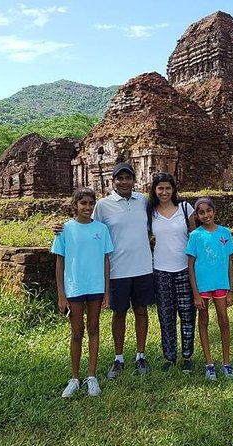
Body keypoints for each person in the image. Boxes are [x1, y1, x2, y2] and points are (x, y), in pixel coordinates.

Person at [53, 162, 154, 379]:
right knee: (119, 313)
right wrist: (61, 228)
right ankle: (118, 357)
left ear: (134, 180)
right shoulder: (103, 205)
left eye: (128, 178)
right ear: (113, 181)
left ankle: (140, 355)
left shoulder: (143, 201)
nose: (124, 182)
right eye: (120, 178)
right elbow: (87, 226)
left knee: (141, 310)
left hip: (143, 266)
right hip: (117, 268)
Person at [51, 188, 114, 398]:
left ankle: (92, 376)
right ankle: (75, 377)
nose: (87, 207)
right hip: (74, 286)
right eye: (83, 203)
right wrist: (61, 294)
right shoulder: (65, 230)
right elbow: (59, 263)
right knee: (77, 332)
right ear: (75, 206)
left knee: (94, 327)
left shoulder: (101, 229)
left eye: (90, 203)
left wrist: (107, 290)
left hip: (95, 286)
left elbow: (106, 260)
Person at [147, 172, 197, 373]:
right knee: (166, 315)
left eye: (168, 188)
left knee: (187, 314)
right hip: (160, 270)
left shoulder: (185, 209)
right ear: (155, 190)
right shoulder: (150, 212)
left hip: (184, 268)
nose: (164, 192)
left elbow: (194, 238)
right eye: (160, 188)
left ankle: (187, 356)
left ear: (174, 189)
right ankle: (169, 356)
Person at [185, 197, 233, 381]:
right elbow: (190, 265)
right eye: (201, 212)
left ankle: (226, 362)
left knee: (223, 320)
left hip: (221, 284)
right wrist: (196, 293)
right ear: (197, 216)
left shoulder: (225, 233)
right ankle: (209, 363)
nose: (206, 215)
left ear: (214, 212)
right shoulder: (195, 236)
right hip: (203, 286)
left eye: (209, 211)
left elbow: (230, 262)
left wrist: (231, 289)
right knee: (204, 321)